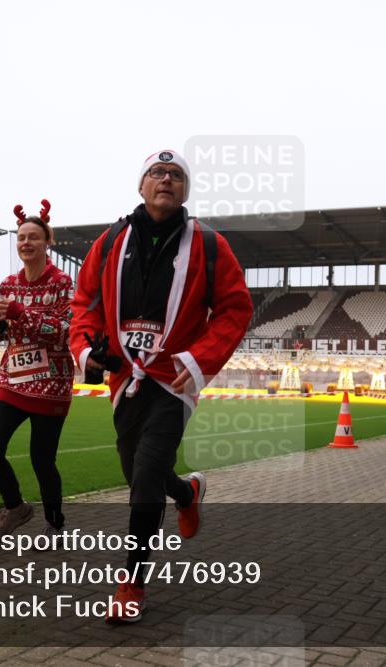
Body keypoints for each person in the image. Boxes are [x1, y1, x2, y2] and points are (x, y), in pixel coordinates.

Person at [70, 149, 253, 623]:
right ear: (141, 186)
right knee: (138, 476)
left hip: (173, 380)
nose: (166, 179)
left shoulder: (210, 245)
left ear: (185, 190)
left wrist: (199, 358)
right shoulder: (111, 240)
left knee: (145, 475)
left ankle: (131, 583)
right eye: (157, 172)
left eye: (175, 175)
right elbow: (84, 301)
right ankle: (188, 493)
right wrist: (87, 347)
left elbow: (236, 308)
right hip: (123, 379)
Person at [0, 200, 74, 541]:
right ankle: (16, 508)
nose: (26, 243)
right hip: (14, 379)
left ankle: (55, 524)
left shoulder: (63, 283)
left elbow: (66, 332)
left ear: (48, 242)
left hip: (52, 383)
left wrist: (22, 314)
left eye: (33, 237)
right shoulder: (8, 284)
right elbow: (5, 334)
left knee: (42, 460)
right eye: (20, 238)